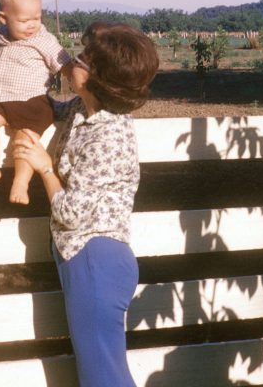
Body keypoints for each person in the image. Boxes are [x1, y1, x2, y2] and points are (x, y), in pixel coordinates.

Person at [11, 22, 159, 387]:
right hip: (89, 260)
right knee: (100, 372)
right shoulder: (85, 109)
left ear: (97, 78)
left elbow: (71, 213)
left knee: (103, 377)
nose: (70, 62)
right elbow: (52, 110)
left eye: (79, 58)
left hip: (95, 260)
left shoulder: (109, 135)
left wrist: (45, 168)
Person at [0, 0, 71, 204]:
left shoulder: (44, 40)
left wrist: (78, 77)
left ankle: (21, 182)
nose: (32, 25)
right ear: (3, 18)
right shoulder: (1, 36)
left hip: (33, 103)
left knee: (23, 141)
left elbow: (64, 63)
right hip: (3, 100)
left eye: (37, 17)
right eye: (24, 20)